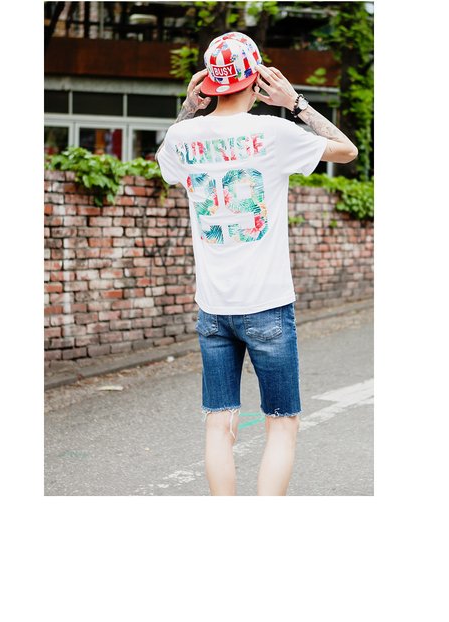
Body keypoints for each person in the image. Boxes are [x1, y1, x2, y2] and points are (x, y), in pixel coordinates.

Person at [156, 32, 358, 496]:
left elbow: (166, 168)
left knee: (218, 423)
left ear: (210, 82)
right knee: (282, 423)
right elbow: (346, 150)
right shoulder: (273, 132)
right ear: (256, 80)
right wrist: (295, 102)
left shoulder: (182, 135)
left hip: (213, 308)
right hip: (267, 304)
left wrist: (189, 107)